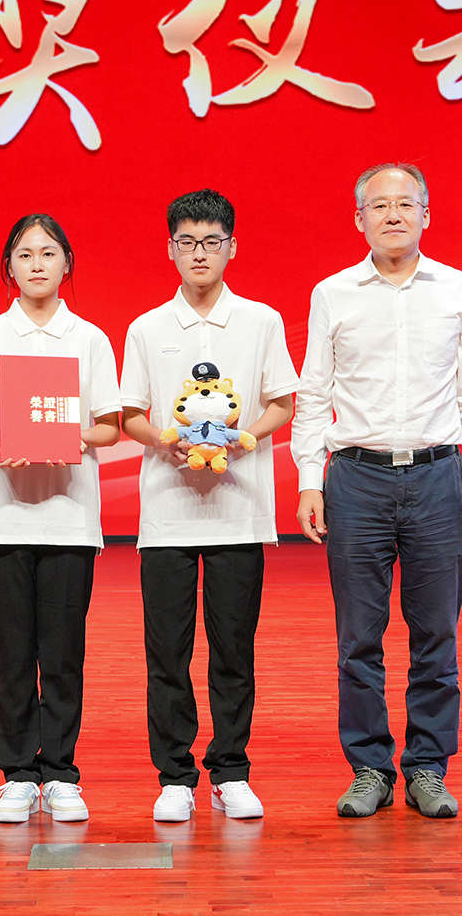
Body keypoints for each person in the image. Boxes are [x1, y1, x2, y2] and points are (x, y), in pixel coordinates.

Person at [291, 163, 462, 820]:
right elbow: (313, 395)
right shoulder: (333, 293)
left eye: (405, 204)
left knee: (436, 632)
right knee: (359, 637)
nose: (393, 215)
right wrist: (309, 479)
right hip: (356, 479)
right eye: (378, 206)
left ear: (426, 215)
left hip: (438, 476)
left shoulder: (457, 289)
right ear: (359, 220)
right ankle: (370, 768)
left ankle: (428, 767)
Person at [121, 189, 297, 823]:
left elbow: (283, 402)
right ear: (170, 249)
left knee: (233, 650)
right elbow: (130, 414)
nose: (200, 253)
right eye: (188, 242)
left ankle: (230, 771)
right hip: (168, 511)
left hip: (238, 509)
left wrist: (243, 436)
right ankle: (175, 775)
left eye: (212, 242)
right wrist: (164, 440)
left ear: (231, 247)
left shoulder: (261, 321)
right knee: (167, 652)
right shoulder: (147, 327)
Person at [0, 213, 121, 824]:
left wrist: (71, 436)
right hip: (3, 517)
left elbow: (109, 425)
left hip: (69, 518)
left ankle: (60, 773)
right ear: (9, 266)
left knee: (62, 655)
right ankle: (18, 775)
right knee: (11, 654)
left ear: (66, 264)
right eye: (24, 254)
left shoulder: (90, 338)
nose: (36, 264)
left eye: (48, 253)